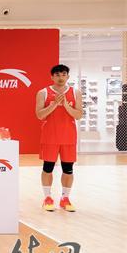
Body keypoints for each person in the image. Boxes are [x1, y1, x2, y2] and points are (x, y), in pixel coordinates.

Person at [35, 64, 83, 212]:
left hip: (68, 137)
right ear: (52, 77)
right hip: (50, 136)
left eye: (63, 74)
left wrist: (66, 105)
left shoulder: (75, 92)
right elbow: (40, 115)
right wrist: (55, 103)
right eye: (57, 75)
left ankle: (65, 198)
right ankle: (47, 198)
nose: (60, 77)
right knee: (47, 168)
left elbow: (78, 115)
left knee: (68, 170)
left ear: (68, 76)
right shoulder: (43, 92)